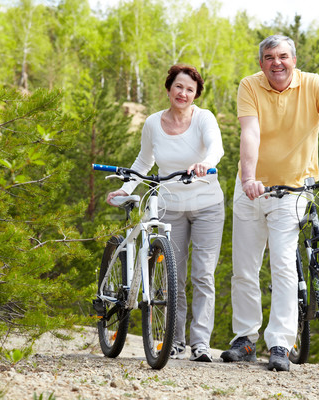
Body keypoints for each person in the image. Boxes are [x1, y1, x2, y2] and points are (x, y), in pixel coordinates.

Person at [220, 35, 319, 371]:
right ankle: (244, 340)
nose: (277, 63)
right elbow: (250, 133)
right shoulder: (250, 86)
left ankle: (281, 344)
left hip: (292, 190)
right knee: (244, 268)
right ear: (261, 64)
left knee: (284, 265)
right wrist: (247, 179)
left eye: (283, 56)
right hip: (252, 188)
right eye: (269, 57)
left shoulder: (313, 85)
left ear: (294, 59)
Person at [106, 64, 225, 362]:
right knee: (173, 276)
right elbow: (144, 161)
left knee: (203, 275)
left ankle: (200, 343)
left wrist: (205, 163)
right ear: (169, 88)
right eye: (178, 87)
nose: (183, 93)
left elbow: (216, 148)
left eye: (190, 89)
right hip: (170, 206)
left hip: (207, 205)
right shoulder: (152, 123)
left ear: (196, 94)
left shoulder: (204, 119)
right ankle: (175, 340)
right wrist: (126, 187)